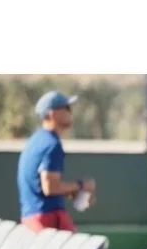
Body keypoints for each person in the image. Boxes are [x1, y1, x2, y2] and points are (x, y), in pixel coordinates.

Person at [17, 91, 94, 232]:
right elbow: (49, 188)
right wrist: (81, 185)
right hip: (47, 221)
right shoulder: (52, 144)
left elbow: (42, 186)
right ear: (52, 114)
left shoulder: (37, 140)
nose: (70, 112)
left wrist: (73, 193)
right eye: (66, 108)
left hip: (32, 220)